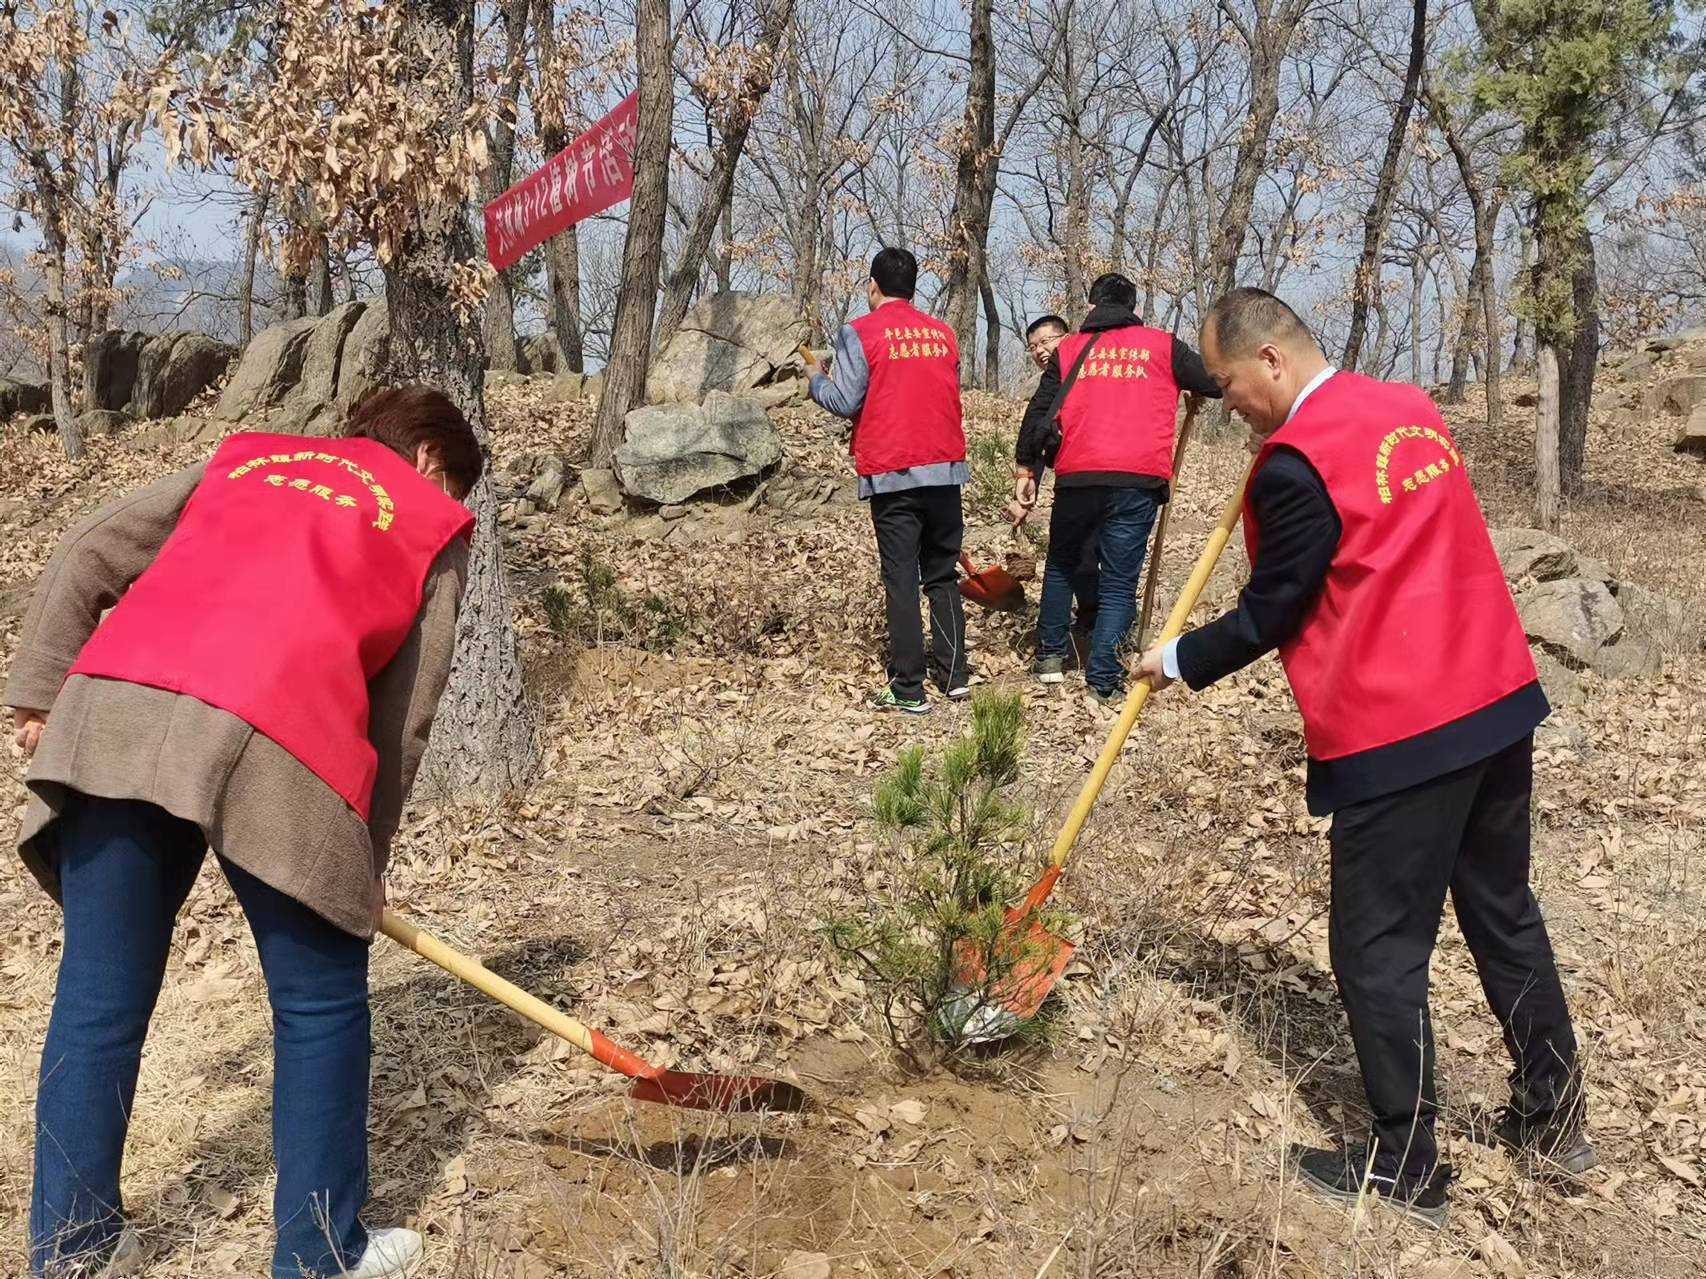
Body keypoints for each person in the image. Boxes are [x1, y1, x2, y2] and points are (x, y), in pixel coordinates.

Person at [1137, 288, 1592, 1227]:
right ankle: (1554, 1120)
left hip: (1406, 725)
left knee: (1377, 949)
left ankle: (1406, 1160)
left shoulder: (1294, 464)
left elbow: (1275, 609)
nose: (1227, 404)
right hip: (1496, 699)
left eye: (1226, 384)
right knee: (1503, 911)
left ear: (1270, 360)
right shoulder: (1411, 409)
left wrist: (1177, 658)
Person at [7, 386, 482, 1278]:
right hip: (278, 732)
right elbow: (404, 714)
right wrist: (363, 858)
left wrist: (38, 687)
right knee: (320, 1002)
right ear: (429, 458)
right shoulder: (426, 518)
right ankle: (318, 1252)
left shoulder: (249, 458)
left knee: (98, 997)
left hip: (118, 706)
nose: (455, 500)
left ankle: (72, 1252)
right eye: (457, 481)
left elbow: (89, 547)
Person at [1012, 273, 1219, 703]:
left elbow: (1038, 413)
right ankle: (1101, 680)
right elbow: (1213, 381)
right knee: (1119, 582)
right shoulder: (1162, 345)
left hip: (1077, 475)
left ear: (1091, 307)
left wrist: (1026, 471)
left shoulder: (1068, 349)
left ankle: (1051, 656)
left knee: (1062, 564)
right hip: (1137, 480)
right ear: (1133, 308)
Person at [803, 246, 969, 713]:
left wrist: (816, 378)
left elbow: (845, 401)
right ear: (914, 287)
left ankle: (909, 688)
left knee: (901, 577)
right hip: (945, 467)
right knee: (941, 573)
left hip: (894, 471)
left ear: (872, 286)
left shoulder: (859, 331)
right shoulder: (943, 334)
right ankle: (954, 676)